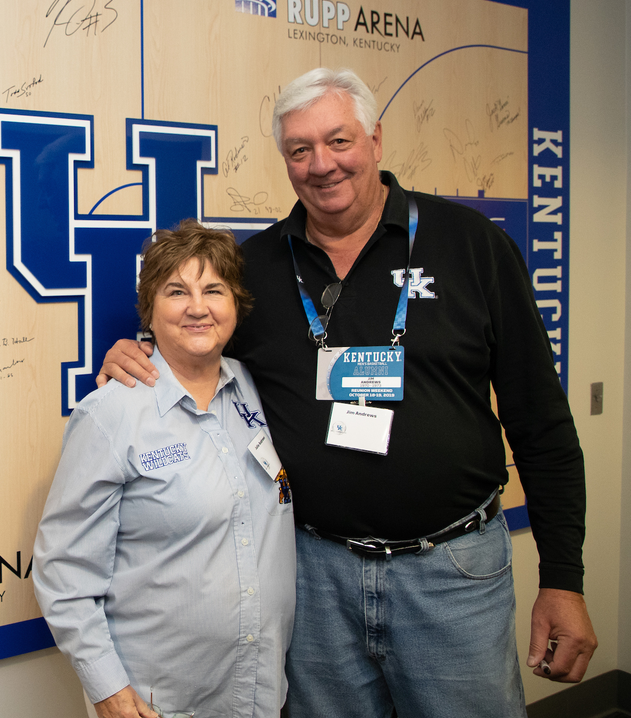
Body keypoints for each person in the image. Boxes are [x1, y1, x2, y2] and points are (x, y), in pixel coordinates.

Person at [98, 68, 596, 718]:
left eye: (339, 140)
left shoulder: (472, 246)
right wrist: (139, 353)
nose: (321, 164)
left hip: (451, 574)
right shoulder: (255, 270)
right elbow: (196, 350)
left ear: (375, 140)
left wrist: (563, 578)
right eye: (300, 149)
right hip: (311, 579)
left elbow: (542, 423)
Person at [34, 221, 295, 718]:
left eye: (214, 290)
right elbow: (64, 570)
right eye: (177, 291)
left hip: (259, 692)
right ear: (149, 310)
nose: (198, 307)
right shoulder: (111, 414)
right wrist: (107, 689)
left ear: (235, 304)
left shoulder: (255, 387)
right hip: (160, 703)